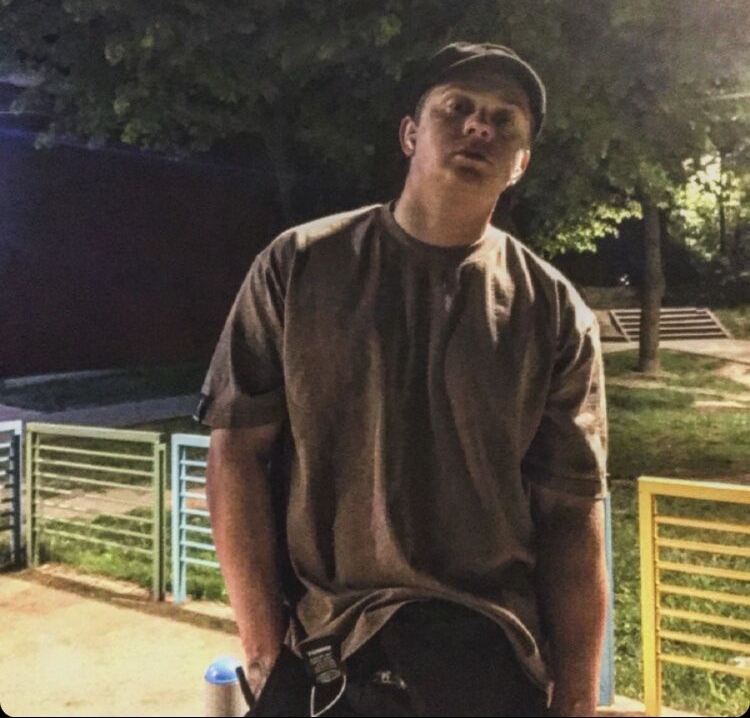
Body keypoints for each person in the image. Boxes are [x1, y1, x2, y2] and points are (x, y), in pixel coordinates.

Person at [195, 42, 608, 718]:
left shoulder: (555, 311)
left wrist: (579, 700)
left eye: (504, 120)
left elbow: (571, 513)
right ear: (410, 133)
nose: (480, 127)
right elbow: (234, 452)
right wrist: (264, 653)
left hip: (489, 658)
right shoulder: (298, 266)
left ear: (520, 164)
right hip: (326, 652)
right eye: (457, 108)